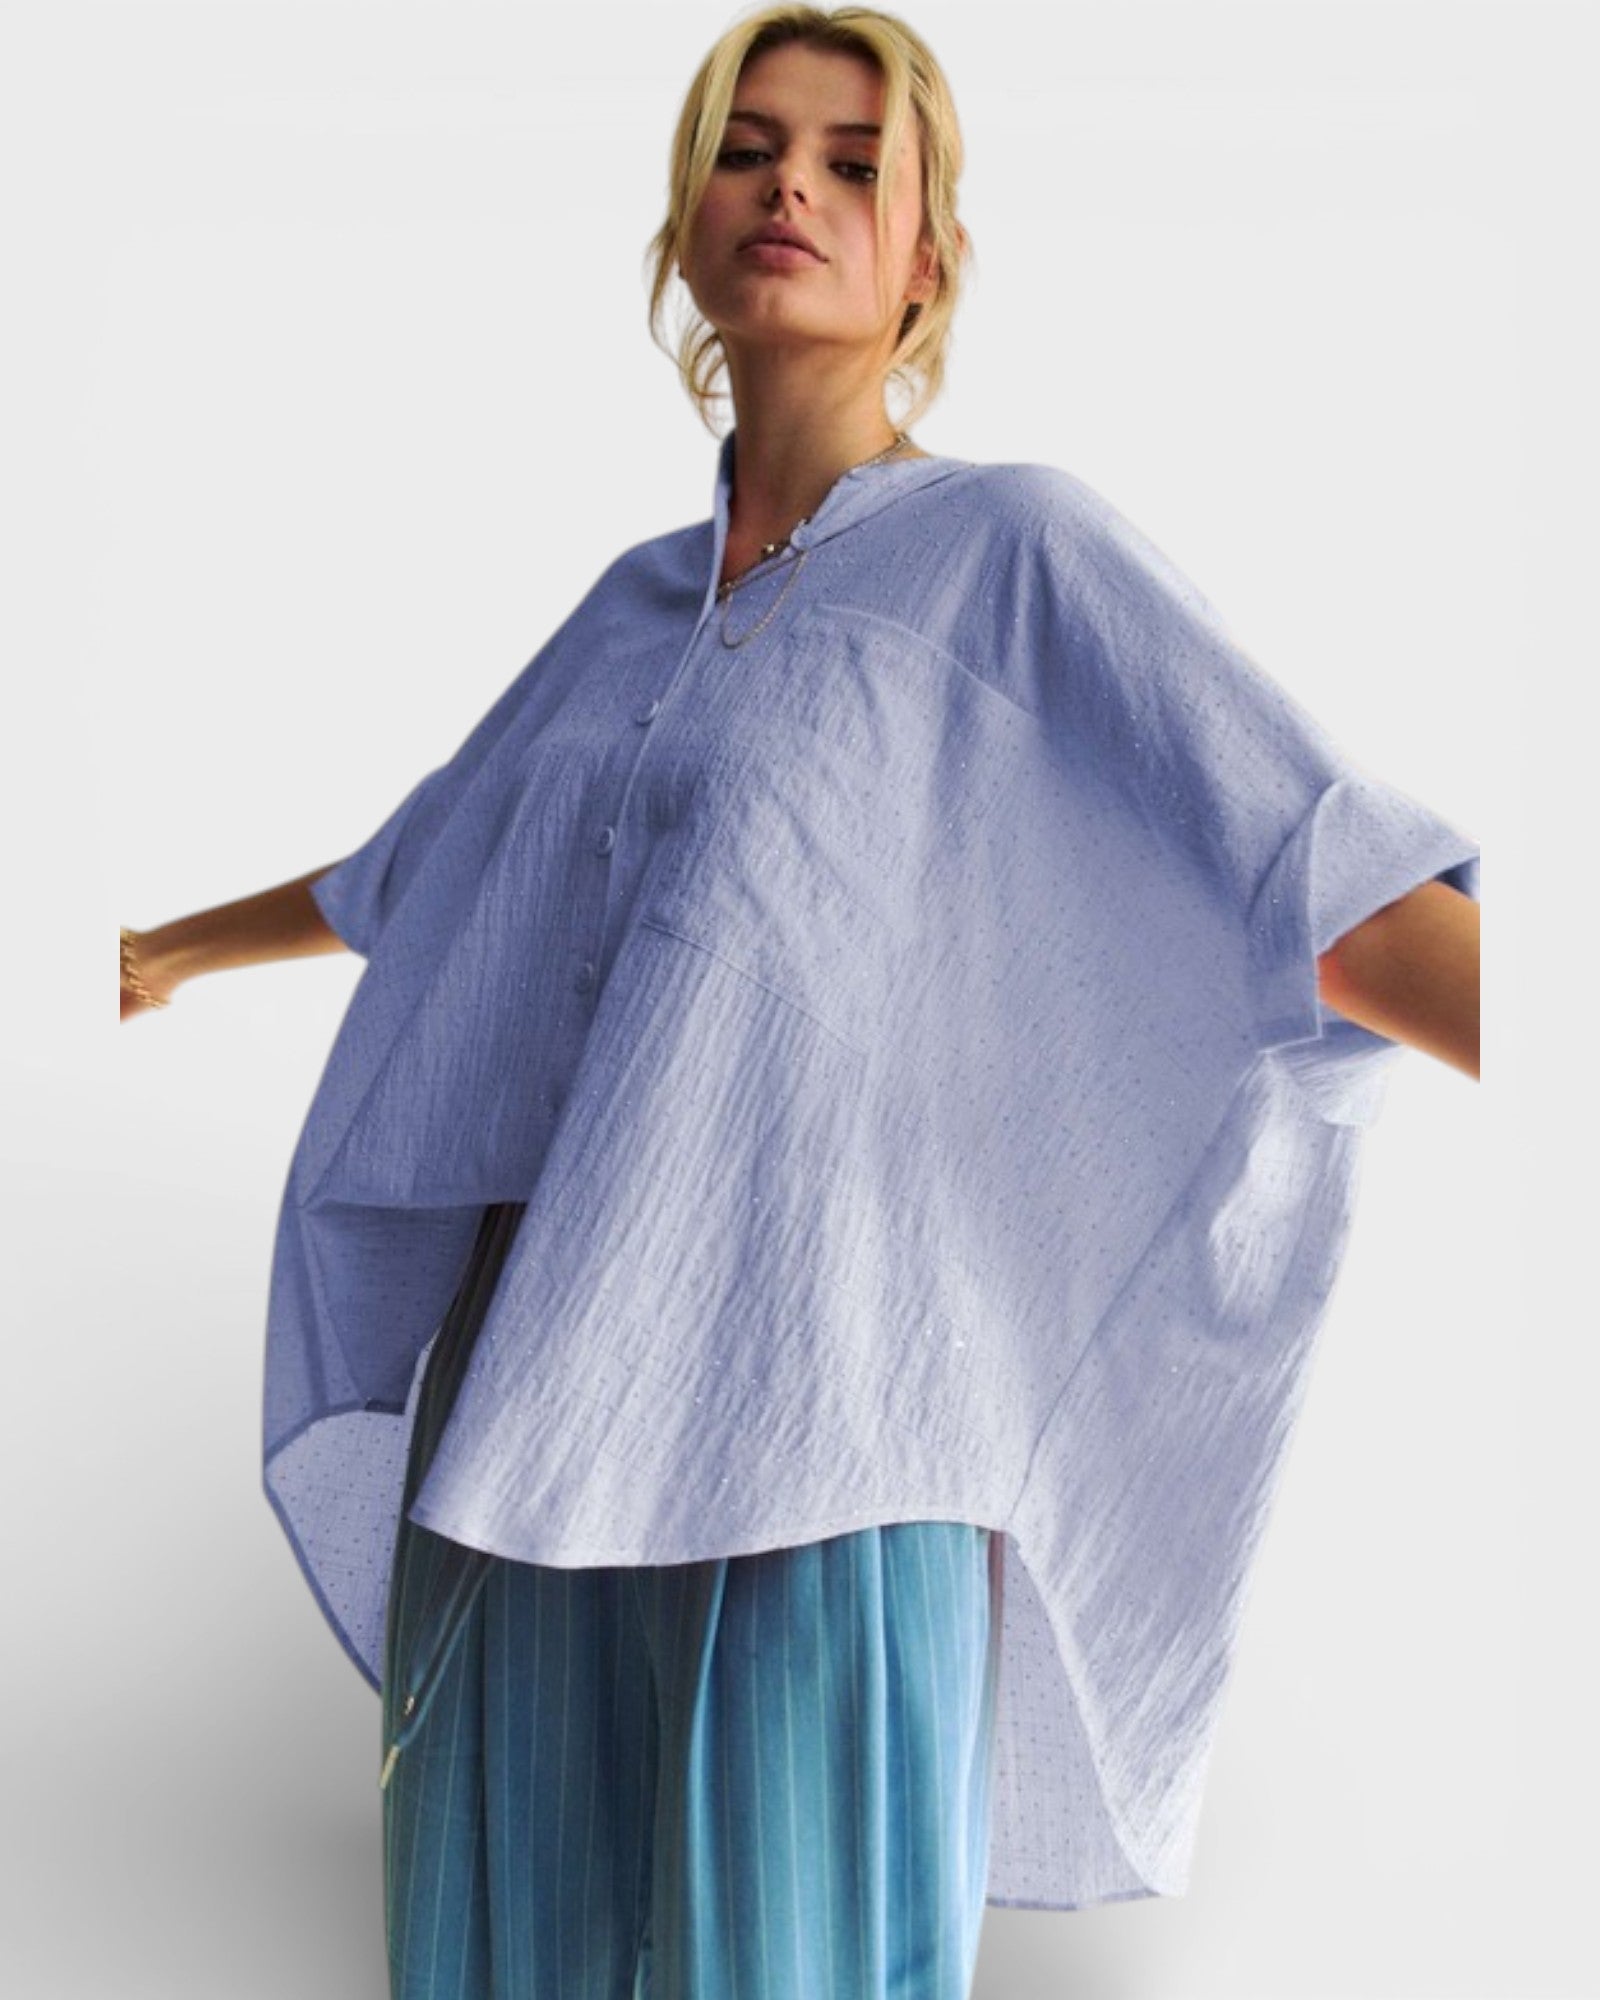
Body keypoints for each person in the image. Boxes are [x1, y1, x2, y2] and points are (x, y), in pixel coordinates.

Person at [119, 6, 1481, 1997]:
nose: (792, 188)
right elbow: (427, 867)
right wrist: (156, 949)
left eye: (856, 164)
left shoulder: (1011, 555)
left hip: (831, 1415)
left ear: (927, 256)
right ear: (684, 226)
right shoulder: (622, 611)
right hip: (526, 1414)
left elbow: (1320, 882)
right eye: (750, 149)